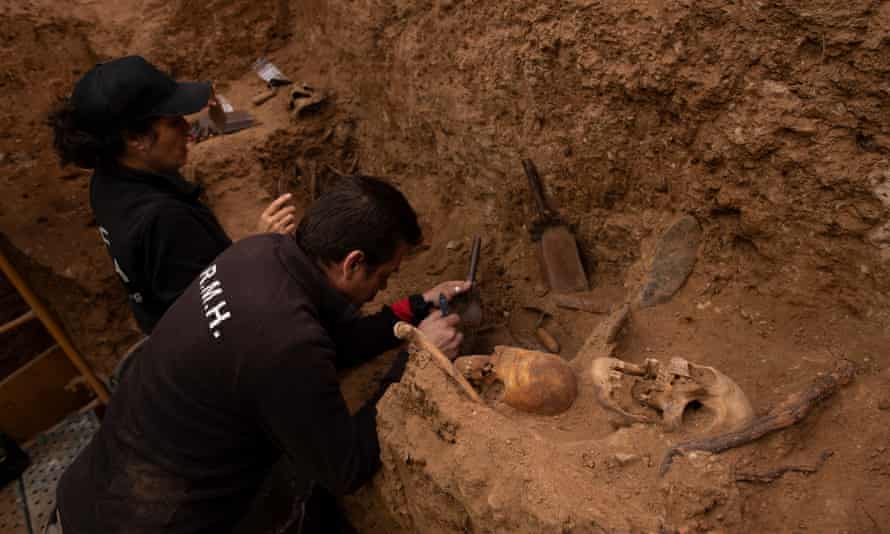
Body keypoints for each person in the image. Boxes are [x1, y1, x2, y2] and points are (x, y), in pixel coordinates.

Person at [54, 175, 469, 533]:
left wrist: (414, 308)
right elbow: (346, 468)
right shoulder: (286, 342)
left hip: (96, 486)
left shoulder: (262, 253)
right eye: (385, 276)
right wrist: (417, 363)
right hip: (144, 522)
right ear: (352, 262)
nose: (384, 286)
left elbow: (337, 343)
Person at [48, 55, 295, 334]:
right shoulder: (163, 220)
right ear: (135, 139)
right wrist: (259, 252)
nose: (189, 128)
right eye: (174, 122)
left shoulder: (108, 180)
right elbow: (215, 321)